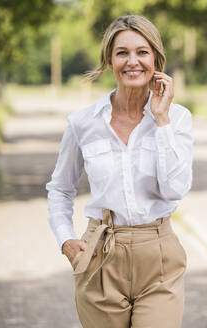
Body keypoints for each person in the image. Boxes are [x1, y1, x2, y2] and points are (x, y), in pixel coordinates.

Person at [45, 14, 193, 328]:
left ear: (156, 59)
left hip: (159, 256)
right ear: (109, 61)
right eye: (122, 52)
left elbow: (174, 189)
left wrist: (162, 120)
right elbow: (60, 189)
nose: (132, 61)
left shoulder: (177, 119)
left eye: (142, 52)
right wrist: (66, 240)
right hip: (100, 254)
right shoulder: (83, 123)